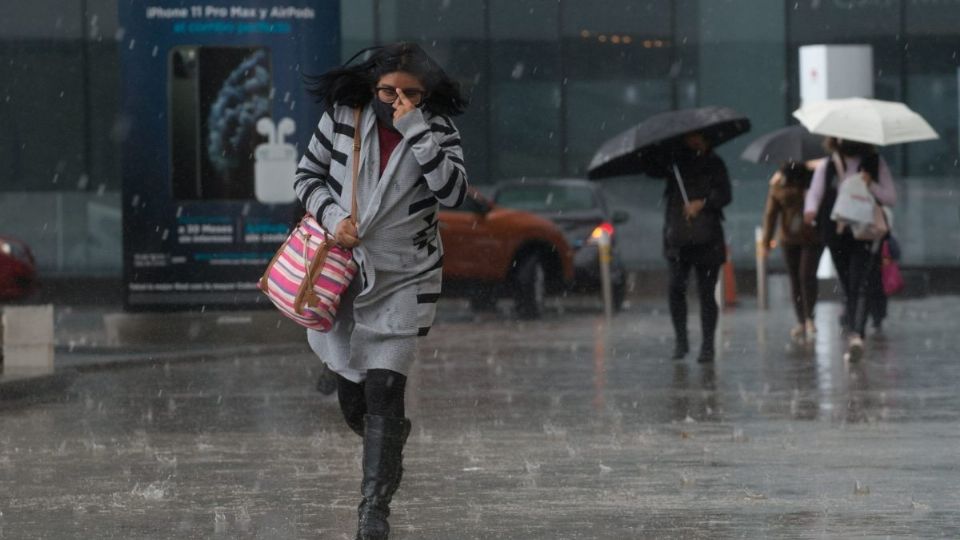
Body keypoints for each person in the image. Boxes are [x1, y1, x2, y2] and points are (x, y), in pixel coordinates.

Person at [294, 42, 468, 539]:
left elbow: (452, 192)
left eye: (409, 94)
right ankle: (387, 447)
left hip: (406, 276)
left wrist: (417, 131)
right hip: (345, 271)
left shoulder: (437, 131)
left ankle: (373, 510)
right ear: (373, 86)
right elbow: (306, 177)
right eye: (387, 91)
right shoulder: (342, 116)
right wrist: (334, 217)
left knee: (386, 386)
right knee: (355, 398)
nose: (396, 101)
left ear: (425, 94)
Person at [803, 140, 896, 361]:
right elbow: (815, 193)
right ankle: (855, 328)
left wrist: (869, 184)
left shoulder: (874, 163)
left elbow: (890, 197)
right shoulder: (828, 166)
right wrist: (810, 210)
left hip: (865, 232)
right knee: (848, 282)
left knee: (859, 281)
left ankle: (857, 334)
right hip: (836, 233)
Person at [660, 132, 732, 363]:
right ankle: (681, 340)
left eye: (698, 137)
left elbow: (725, 194)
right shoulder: (674, 163)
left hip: (707, 238)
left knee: (707, 292)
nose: (693, 142)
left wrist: (703, 203)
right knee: (675, 288)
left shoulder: (715, 163)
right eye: (689, 138)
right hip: (678, 237)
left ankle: (708, 345)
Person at [760, 161, 823, 342]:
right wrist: (766, 241)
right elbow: (771, 214)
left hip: (812, 236)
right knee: (795, 278)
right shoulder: (780, 182)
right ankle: (801, 320)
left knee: (806, 275)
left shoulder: (814, 177)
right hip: (789, 237)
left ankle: (809, 316)